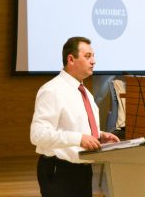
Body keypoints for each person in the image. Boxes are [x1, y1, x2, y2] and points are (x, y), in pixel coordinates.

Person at [30, 36, 119, 197]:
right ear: (71, 59)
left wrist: (98, 136)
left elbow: (75, 126)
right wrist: (79, 139)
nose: (93, 61)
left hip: (83, 171)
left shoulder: (85, 93)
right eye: (87, 56)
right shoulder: (52, 90)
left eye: (93, 56)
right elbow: (38, 135)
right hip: (59, 171)